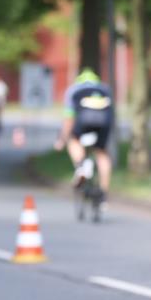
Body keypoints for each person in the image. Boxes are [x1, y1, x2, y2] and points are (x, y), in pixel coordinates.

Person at [54, 68, 115, 205]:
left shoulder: (74, 90)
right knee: (102, 153)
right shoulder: (104, 89)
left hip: (83, 122)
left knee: (73, 140)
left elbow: (69, 117)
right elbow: (111, 114)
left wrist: (62, 139)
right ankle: (104, 193)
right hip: (103, 124)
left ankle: (81, 166)